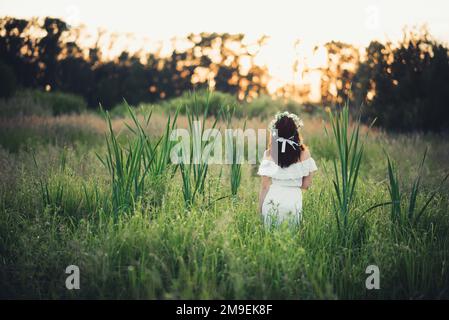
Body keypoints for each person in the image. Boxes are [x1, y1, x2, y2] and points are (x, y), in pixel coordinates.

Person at [258, 111, 318, 227]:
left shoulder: (269, 153)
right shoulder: (304, 154)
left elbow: (265, 186)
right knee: (289, 240)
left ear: (275, 132)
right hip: (293, 202)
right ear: (295, 132)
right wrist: (291, 181)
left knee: (269, 241)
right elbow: (306, 185)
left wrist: (260, 210)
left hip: (271, 202)